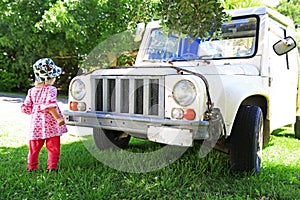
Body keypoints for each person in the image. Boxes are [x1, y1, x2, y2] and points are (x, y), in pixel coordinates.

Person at [21, 58, 68, 172]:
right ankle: (52, 167)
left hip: (37, 124)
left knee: (34, 147)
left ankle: (32, 167)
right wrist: (58, 118)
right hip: (51, 123)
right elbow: (50, 106)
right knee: (53, 147)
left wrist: (36, 112)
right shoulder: (51, 89)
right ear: (50, 78)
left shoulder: (32, 91)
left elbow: (27, 107)